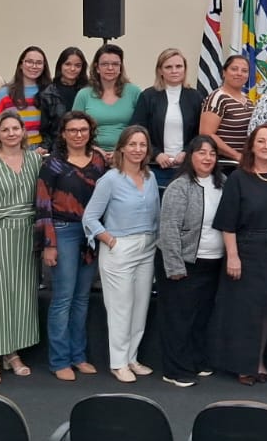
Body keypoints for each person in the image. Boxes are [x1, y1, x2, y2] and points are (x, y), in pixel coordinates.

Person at [211, 123, 267, 384]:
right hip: (246, 250)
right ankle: (244, 365)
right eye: (261, 141)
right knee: (246, 311)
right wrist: (233, 256)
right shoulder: (238, 178)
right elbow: (227, 222)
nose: (266, 146)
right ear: (252, 146)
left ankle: (260, 361)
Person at [82, 123, 160, 382]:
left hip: (147, 248)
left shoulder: (150, 178)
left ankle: (131, 358)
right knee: (121, 308)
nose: (138, 149)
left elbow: (157, 214)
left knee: (140, 307)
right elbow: (90, 217)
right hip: (120, 249)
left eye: (142, 145)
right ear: (122, 148)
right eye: (132, 144)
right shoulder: (110, 180)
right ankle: (118, 363)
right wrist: (111, 241)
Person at [36, 110, 109, 381]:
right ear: (64, 134)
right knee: (63, 299)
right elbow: (43, 205)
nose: (78, 135)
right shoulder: (53, 164)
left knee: (82, 298)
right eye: (73, 130)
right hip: (63, 231)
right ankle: (59, 360)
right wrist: (49, 244)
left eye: (83, 130)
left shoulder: (99, 161)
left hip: (90, 234)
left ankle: (78, 356)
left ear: (90, 133)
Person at [0, 111, 43, 384]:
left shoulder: (35, 160)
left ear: (24, 131)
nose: (11, 133)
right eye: (6, 129)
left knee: (22, 297)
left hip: (27, 235)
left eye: (16, 128)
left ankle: (11, 353)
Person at [157, 136, 226, 387]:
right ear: (190, 156)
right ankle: (175, 370)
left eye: (212, 153)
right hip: (184, 262)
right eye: (201, 153)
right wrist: (174, 265)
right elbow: (169, 228)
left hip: (213, 262)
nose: (207, 158)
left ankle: (196, 361)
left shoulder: (223, 183)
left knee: (201, 317)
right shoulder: (180, 186)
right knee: (179, 318)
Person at [132, 47, 202, 187]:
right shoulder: (148, 96)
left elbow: (201, 133)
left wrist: (187, 152)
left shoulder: (195, 97)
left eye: (179, 66)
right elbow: (137, 131)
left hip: (187, 168)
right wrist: (156, 154)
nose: (174, 71)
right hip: (155, 167)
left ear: (185, 69)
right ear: (160, 71)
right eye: (168, 67)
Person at [73, 44, 140, 154]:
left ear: (120, 68)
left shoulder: (134, 92)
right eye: (105, 64)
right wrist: (94, 150)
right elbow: (74, 129)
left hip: (127, 153)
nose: (110, 68)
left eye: (115, 64)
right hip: (90, 152)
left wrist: (120, 151)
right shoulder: (83, 94)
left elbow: (141, 129)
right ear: (97, 68)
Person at [200, 54, 254, 168]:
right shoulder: (218, 98)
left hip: (244, 164)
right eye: (234, 69)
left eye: (244, 71)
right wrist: (236, 156)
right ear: (224, 72)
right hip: (225, 165)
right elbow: (206, 134)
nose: (239, 73)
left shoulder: (248, 100)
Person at [0, 47, 51, 150]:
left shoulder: (50, 92)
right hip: (12, 147)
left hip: (41, 148)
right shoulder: (4, 93)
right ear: (21, 64)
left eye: (39, 63)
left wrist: (46, 147)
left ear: (44, 66)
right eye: (29, 62)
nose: (34, 66)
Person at [39, 46, 88, 151]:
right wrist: (45, 148)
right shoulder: (48, 93)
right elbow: (45, 129)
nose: (72, 69)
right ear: (60, 65)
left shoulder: (89, 91)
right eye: (68, 64)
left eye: (77, 65)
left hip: (85, 147)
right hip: (57, 148)